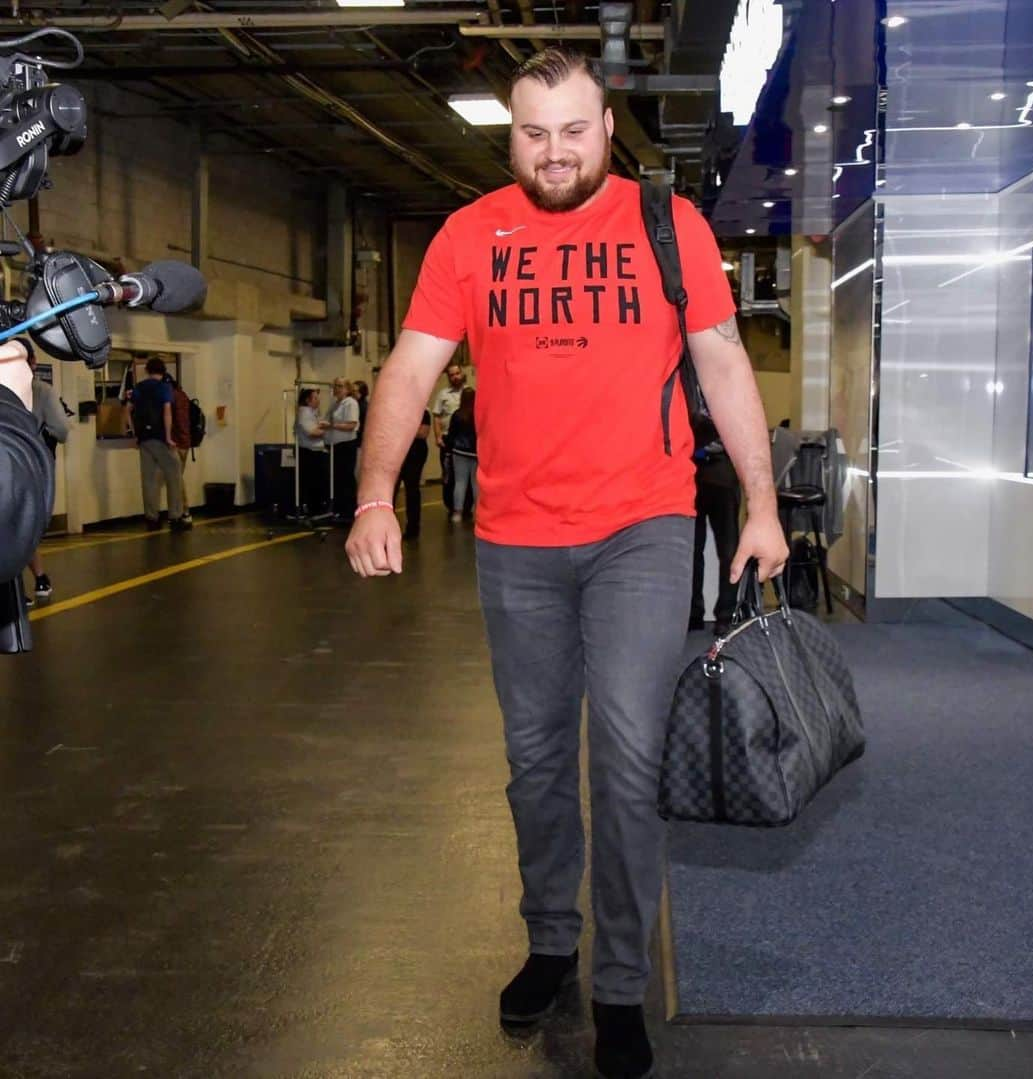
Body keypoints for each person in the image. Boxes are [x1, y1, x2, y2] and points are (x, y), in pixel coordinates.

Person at [344, 47, 787, 1079]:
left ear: (607, 126)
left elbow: (721, 359)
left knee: (627, 759)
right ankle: (553, 937)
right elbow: (410, 367)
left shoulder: (665, 223)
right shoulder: (468, 234)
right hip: (515, 538)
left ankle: (622, 980)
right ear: (513, 136)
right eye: (533, 133)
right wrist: (375, 493)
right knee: (537, 761)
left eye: (574, 130)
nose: (554, 153)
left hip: (642, 524)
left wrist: (762, 504)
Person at [0, 339, 53, 643]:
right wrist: (7, 399)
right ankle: (40, 579)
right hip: (22, 459)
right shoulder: (40, 391)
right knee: (23, 519)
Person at [22, 340, 69, 601]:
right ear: (34, 363)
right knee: (26, 526)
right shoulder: (42, 391)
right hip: (32, 467)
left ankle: (22, 584)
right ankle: (37, 580)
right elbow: (62, 431)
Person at [125, 357, 190, 532]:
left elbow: (127, 410)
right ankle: (175, 517)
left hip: (144, 439)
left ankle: (152, 519)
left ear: (147, 370)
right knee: (174, 474)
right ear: (163, 371)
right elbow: (167, 412)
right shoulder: (164, 387)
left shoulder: (139, 387)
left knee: (149, 480)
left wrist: (133, 433)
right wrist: (169, 437)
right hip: (160, 438)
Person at [688, 434, 741, 630]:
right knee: (698, 550)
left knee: (725, 552)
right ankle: (722, 616)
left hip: (710, 474)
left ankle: (719, 615)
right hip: (703, 476)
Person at [324, 376, 359, 520]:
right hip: (334, 445)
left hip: (346, 445)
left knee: (346, 477)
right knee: (337, 478)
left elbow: (351, 425)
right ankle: (339, 508)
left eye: (340, 386)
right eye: (335, 386)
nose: (336, 389)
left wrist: (332, 426)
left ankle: (349, 510)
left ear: (347, 388)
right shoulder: (335, 404)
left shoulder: (350, 403)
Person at [160, 371, 193, 526]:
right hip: (185, 443)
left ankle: (184, 512)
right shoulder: (183, 395)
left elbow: (171, 420)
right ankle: (178, 513)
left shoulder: (169, 397)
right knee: (177, 478)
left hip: (175, 443)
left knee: (176, 479)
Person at [394, 408, 430, 540]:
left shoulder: (423, 412)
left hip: (415, 453)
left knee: (412, 490)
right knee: (392, 490)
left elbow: (422, 433)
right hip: (398, 451)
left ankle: (413, 527)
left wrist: (402, 428)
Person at [294, 387, 329, 516]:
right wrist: (328, 431)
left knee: (319, 482)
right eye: (315, 398)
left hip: (317, 451)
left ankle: (318, 508)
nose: (318, 400)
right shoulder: (304, 413)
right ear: (308, 401)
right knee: (312, 482)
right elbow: (312, 433)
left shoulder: (314, 412)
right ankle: (311, 509)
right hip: (309, 452)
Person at [446, 386, 478, 523]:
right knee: (476, 484)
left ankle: (457, 513)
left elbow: (451, 435)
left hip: (459, 452)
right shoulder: (478, 414)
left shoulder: (457, 415)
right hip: (476, 453)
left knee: (460, 483)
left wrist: (448, 450)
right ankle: (478, 512)